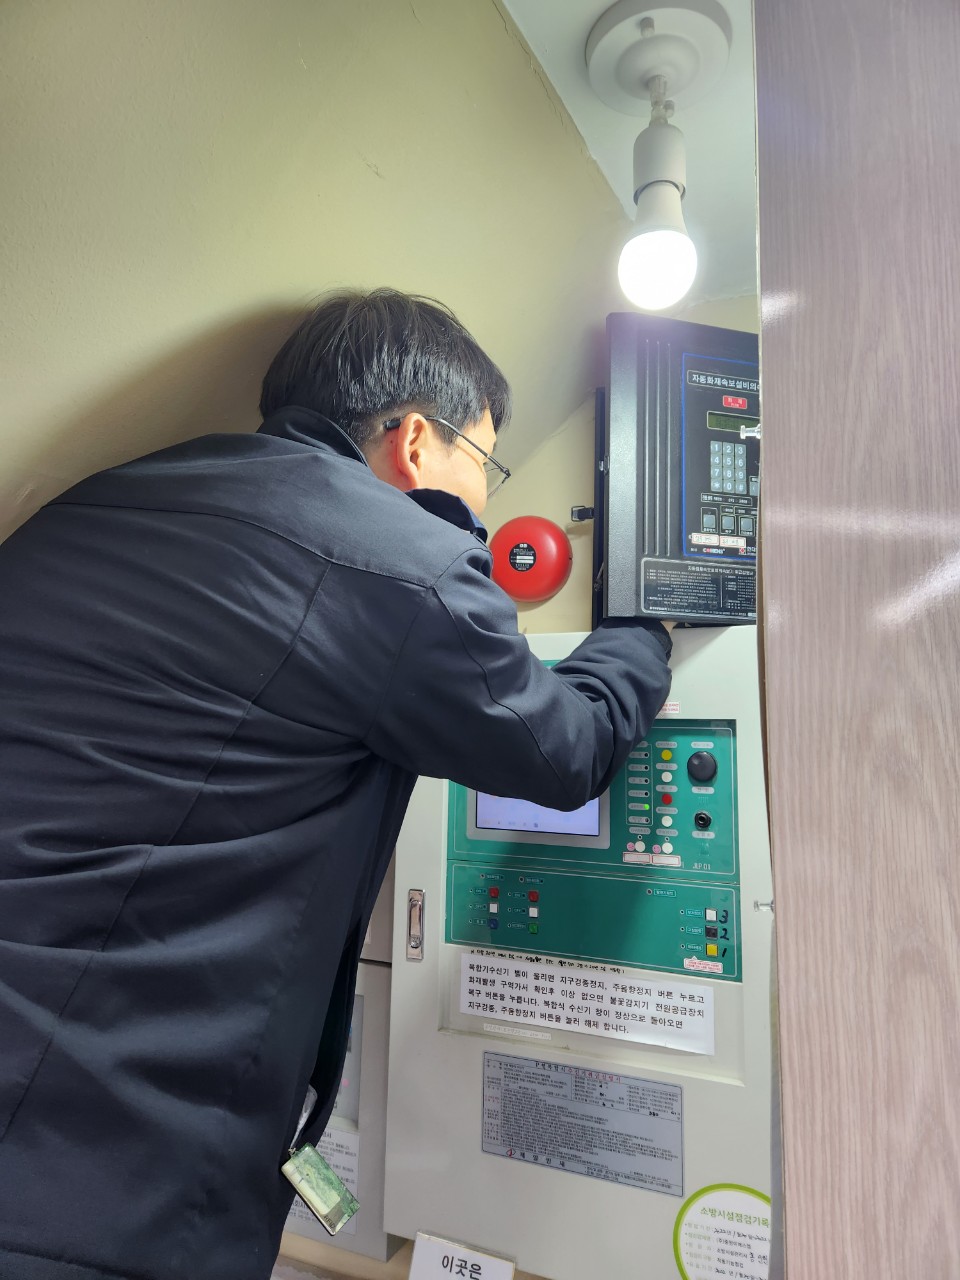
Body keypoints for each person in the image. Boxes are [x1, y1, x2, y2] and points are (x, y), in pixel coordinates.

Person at [0, 289, 672, 1280]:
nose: (484, 504)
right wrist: (642, 623)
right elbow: (565, 750)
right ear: (415, 439)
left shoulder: (85, 506)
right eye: (485, 465)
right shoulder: (403, 562)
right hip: (98, 1165)